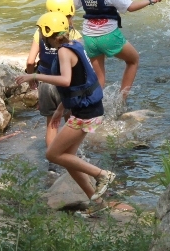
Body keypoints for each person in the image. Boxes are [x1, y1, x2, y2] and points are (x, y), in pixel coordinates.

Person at [15, 13, 115, 202]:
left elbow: (65, 80)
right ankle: (98, 201)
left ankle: (101, 174)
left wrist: (35, 76)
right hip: (89, 108)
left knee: (52, 154)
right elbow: (77, 83)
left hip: (85, 113)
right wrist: (61, 108)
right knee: (68, 157)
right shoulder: (74, 44)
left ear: (47, 35)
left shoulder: (63, 51)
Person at [70, 0, 162, 101]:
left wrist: (70, 23)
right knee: (133, 60)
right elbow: (129, 7)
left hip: (89, 38)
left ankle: (93, 106)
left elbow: (69, 6)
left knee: (100, 79)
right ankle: (122, 101)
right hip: (109, 36)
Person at [25, 0, 83, 147]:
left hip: (45, 83)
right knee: (70, 120)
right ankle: (70, 156)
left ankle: (52, 164)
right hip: (66, 84)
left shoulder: (41, 32)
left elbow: (30, 61)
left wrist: (31, 77)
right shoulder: (75, 35)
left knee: (51, 123)